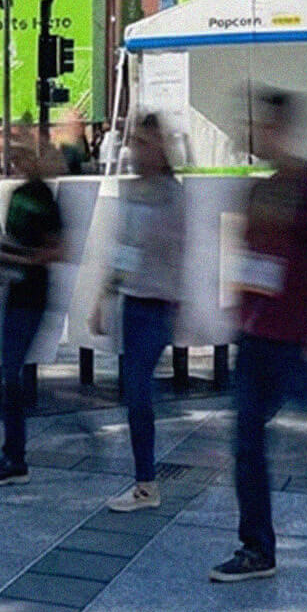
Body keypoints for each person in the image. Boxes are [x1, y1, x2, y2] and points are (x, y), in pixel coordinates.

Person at [213, 90, 307, 583]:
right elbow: (250, 260)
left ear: (280, 129)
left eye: (259, 125)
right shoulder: (258, 190)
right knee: (247, 442)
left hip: (297, 339)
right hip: (256, 337)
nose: (250, 133)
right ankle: (256, 549)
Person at [91, 114, 185, 512]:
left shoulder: (174, 195)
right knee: (134, 393)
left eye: (146, 143)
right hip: (133, 301)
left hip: (159, 303)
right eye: (136, 142)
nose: (137, 151)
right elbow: (124, 250)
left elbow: (184, 253)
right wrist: (105, 295)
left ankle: (146, 484)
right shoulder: (132, 192)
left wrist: (184, 303)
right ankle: (144, 481)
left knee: (138, 391)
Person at [0, 139, 63, 486]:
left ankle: (14, 457)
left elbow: (56, 248)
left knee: (11, 375)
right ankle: (13, 454)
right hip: (13, 293)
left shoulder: (44, 197)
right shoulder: (15, 197)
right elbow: (9, 241)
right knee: (9, 375)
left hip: (32, 294)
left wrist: (21, 261)